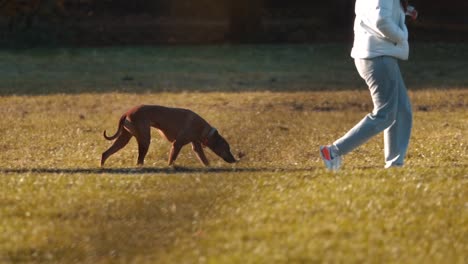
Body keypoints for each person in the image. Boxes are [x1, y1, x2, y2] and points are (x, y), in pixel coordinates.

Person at [320, 0, 417, 170]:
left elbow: (376, 10)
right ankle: (333, 151)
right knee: (385, 114)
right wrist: (402, 36)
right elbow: (382, 21)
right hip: (378, 56)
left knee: (402, 110)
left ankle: (395, 165)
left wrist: (405, 10)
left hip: (373, 54)